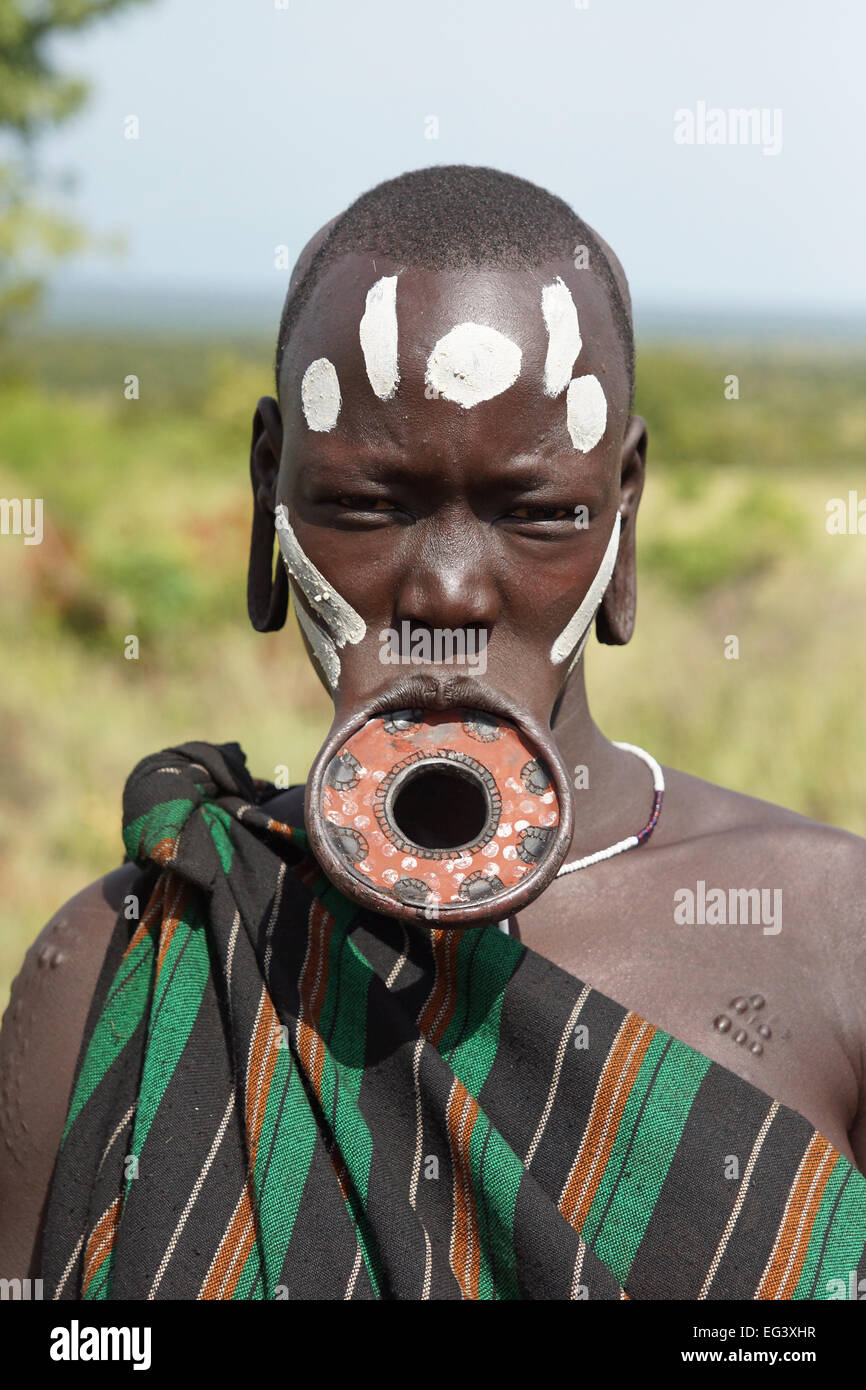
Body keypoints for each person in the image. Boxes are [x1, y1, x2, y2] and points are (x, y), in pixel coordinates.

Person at [1, 166, 864, 1300]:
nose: (450, 594)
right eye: (366, 505)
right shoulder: (128, 957)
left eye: (538, 513)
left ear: (624, 502)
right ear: (272, 486)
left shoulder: (830, 939)